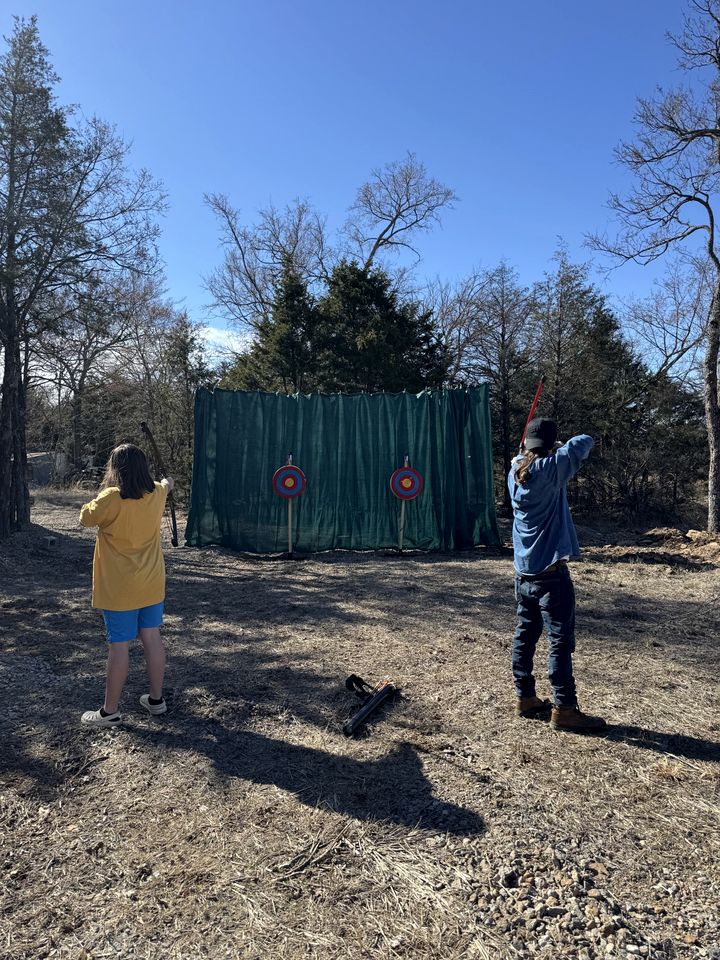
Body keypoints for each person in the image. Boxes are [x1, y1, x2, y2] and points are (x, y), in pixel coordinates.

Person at [508, 417, 606, 733]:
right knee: (560, 642)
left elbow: (524, 460)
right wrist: (559, 448)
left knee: (525, 633)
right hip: (551, 575)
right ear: (550, 446)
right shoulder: (550, 468)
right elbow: (585, 438)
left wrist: (530, 451)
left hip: (524, 574)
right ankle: (564, 708)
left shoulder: (514, 473)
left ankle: (525, 697)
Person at [79, 443, 173, 727]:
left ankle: (110, 712)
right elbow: (167, 484)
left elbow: (85, 518)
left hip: (120, 589)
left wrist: (103, 493)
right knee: (152, 637)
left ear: (115, 470)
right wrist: (168, 481)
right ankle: (156, 700)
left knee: (119, 645)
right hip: (151, 584)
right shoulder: (156, 492)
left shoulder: (110, 497)